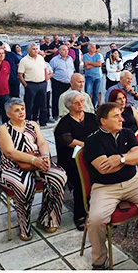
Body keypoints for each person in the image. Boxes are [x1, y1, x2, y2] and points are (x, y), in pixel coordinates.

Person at [84, 103, 138, 270]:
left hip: (133, 181)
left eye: (121, 115)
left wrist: (120, 159)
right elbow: (104, 169)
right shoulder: (92, 140)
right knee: (96, 219)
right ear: (103, 121)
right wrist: (129, 159)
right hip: (105, 187)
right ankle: (99, 260)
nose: (122, 119)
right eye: (116, 116)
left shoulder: (127, 133)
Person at [0, 98, 67, 241]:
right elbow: (10, 152)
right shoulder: (4, 129)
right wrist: (34, 160)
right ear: (8, 114)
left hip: (37, 161)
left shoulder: (32, 124)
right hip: (11, 166)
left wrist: (45, 156)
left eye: (22, 109)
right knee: (24, 186)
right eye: (17, 110)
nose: (21, 112)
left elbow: (42, 143)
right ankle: (24, 225)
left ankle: (48, 218)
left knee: (59, 176)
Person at [54, 91, 98, 230]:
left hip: (94, 154)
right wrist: (89, 146)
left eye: (82, 101)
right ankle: (80, 214)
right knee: (80, 179)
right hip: (73, 159)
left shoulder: (92, 117)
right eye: (76, 102)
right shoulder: (65, 123)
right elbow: (69, 141)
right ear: (69, 106)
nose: (80, 104)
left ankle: (100, 209)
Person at [17, 43, 48, 127]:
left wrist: (46, 80)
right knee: (29, 104)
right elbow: (20, 75)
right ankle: (29, 122)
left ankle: (43, 122)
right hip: (31, 84)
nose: (35, 50)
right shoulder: (24, 60)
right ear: (29, 51)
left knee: (43, 104)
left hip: (42, 83)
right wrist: (26, 85)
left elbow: (45, 69)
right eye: (33, 49)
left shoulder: (40, 58)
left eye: (36, 49)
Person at [49, 45, 75, 119]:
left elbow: (72, 69)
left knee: (68, 99)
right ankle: (55, 115)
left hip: (68, 82)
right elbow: (51, 71)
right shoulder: (54, 60)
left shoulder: (70, 59)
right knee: (56, 99)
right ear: (59, 51)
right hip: (58, 82)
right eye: (64, 50)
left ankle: (67, 114)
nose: (66, 51)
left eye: (67, 50)